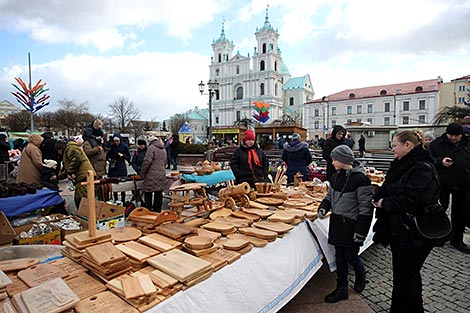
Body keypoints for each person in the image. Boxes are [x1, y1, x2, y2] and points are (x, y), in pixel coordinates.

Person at [372, 130, 441, 312]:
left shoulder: (421, 167)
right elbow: (393, 187)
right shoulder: (403, 164)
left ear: (407, 145)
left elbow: (416, 199)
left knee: (404, 277)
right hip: (402, 230)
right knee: (410, 274)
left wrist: (385, 202)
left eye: (395, 145)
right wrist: (379, 193)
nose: (392, 149)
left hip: (414, 233)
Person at [317, 145, 374, 303]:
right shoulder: (335, 176)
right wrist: (323, 207)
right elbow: (329, 197)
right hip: (337, 223)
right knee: (339, 257)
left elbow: (366, 209)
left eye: (334, 159)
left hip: (352, 225)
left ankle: (361, 274)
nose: (332, 161)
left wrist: (361, 231)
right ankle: (342, 288)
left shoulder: (361, 180)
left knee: (351, 256)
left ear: (342, 159)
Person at [428, 122, 470, 254]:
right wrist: (440, 161)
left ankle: (457, 239)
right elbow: (428, 159)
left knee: (460, 213)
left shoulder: (467, 143)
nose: (453, 138)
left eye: (456, 136)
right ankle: (438, 235)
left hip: (463, 184)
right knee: (440, 209)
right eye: (451, 135)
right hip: (442, 183)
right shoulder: (437, 144)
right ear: (446, 133)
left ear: (461, 135)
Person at [57, 139, 96, 209]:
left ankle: (87, 217)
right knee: (80, 198)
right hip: (84, 176)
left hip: (85, 176)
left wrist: (70, 172)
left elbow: (77, 159)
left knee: (82, 199)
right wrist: (58, 177)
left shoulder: (70, 148)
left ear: (60, 149)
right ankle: (86, 216)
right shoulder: (69, 150)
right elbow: (68, 168)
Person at [140, 136, 167, 212]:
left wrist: (142, 174)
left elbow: (147, 162)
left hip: (151, 175)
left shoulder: (151, 148)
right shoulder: (163, 149)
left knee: (148, 192)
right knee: (158, 193)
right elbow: (166, 162)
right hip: (161, 174)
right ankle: (157, 211)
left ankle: (148, 211)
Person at [106, 133, 131, 203]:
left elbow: (128, 157)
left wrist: (123, 156)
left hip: (121, 166)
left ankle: (123, 199)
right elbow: (107, 156)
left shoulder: (124, 146)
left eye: (117, 141)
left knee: (122, 183)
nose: (116, 143)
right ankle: (116, 198)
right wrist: (110, 160)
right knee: (114, 183)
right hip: (113, 167)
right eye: (115, 141)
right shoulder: (111, 147)